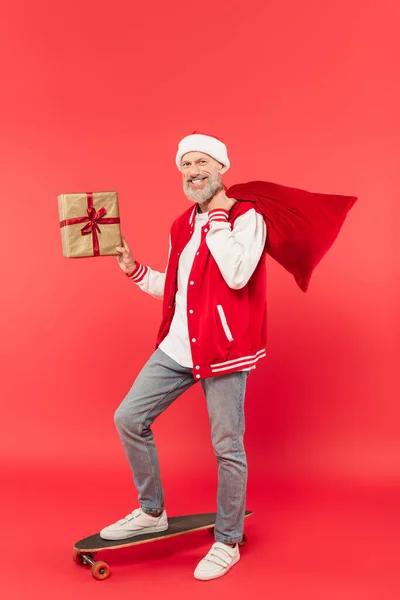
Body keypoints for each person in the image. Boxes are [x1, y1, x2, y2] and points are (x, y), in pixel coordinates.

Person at [100, 133, 268, 581]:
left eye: (202, 163)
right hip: (179, 346)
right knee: (129, 417)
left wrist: (218, 217)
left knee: (227, 447)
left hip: (224, 348)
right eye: (185, 164)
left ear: (221, 169)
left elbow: (235, 275)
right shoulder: (180, 226)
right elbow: (175, 291)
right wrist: (134, 269)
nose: (192, 171)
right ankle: (151, 511)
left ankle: (228, 539)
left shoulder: (247, 218)